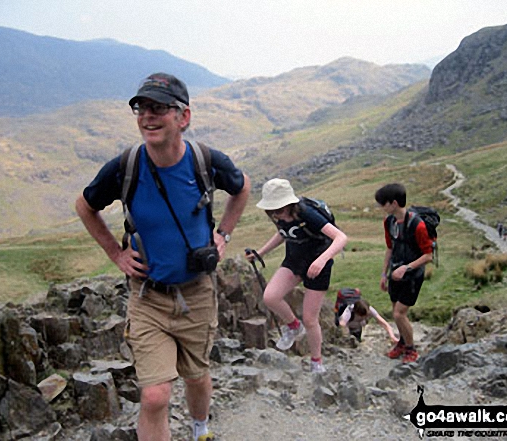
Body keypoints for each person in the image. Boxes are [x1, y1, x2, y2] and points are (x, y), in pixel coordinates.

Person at [75, 73, 250, 441]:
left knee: (197, 375)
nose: (147, 117)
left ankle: (200, 428)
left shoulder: (206, 161)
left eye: (158, 108)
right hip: (147, 297)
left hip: (197, 292)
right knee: (155, 395)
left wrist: (225, 234)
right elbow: (85, 205)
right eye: (141, 108)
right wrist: (115, 253)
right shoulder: (126, 167)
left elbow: (242, 187)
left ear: (183, 117)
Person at [246, 178, 347, 373]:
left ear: (290, 204)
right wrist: (260, 253)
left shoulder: (307, 214)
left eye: (280, 210)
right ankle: (293, 326)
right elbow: (284, 233)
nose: (277, 215)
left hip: (319, 263)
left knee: (310, 319)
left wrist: (322, 260)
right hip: (294, 260)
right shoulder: (279, 216)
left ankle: (316, 362)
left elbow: (340, 237)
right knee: (270, 296)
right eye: (273, 211)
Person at [375, 183, 433, 363]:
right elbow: (390, 248)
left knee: (400, 313)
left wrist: (406, 268)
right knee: (395, 311)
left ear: (393, 203)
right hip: (395, 274)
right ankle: (401, 343)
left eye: (382, 204)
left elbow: (428, 255)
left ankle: (411, 349)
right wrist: (384, 274)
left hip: (412, 275)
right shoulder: (389, 222)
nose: (381, 208)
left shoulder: (418, 225)